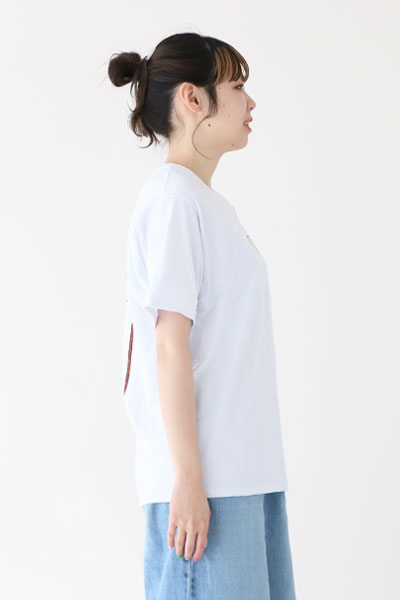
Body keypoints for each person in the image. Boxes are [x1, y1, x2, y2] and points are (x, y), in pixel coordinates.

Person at [108, 32, 297, 599]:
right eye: (237, 86)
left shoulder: (206, 204)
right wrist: (188, 480)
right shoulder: (173, 199)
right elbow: (169, 343)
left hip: (246, 475)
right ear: (193, 98)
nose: (250, 102)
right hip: (206, 486)